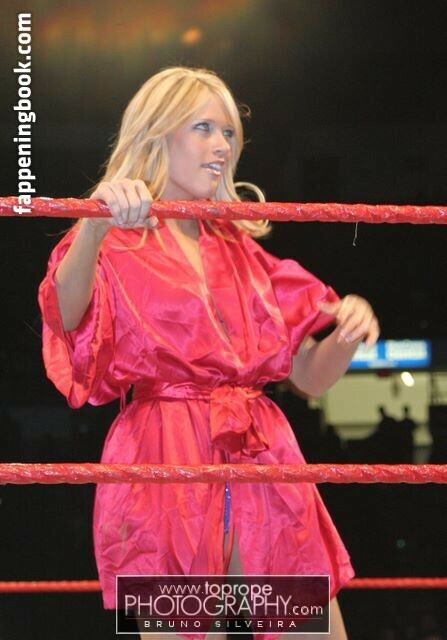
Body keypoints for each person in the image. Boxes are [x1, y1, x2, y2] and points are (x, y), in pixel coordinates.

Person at [38, 67, 380, 640]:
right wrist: (93, 228)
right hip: (162, 456)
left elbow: (309, 377)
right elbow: (65, 318)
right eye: (203, 128)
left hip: (261, 450)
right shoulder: (112, 236)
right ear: (156, 132)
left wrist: (345, 336)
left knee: (310, 629)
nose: (222, 145)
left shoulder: (242, 250)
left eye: (228, 134)